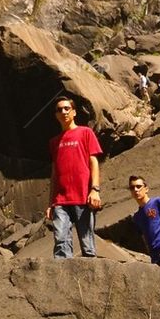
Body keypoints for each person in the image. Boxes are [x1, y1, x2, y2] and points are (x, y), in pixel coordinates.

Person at [45, 95, 103, 259]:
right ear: (56, 115)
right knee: (61, 245)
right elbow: (54, 173)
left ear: (74, 112)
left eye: (66, 108)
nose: (63, 112)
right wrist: (50, 203)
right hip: (60, 201)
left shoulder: (85, 133)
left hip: (83, 197)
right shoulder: (54, 142)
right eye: (59, 110)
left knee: (88, 246)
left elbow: (94, 162)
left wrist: (95, 189)